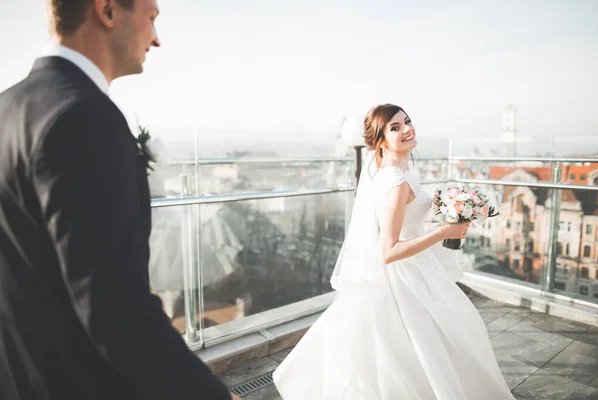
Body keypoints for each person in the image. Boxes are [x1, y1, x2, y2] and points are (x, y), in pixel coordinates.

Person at [0, 0, 239, 399]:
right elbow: (114, 307)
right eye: (151, 17)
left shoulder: (8, 107)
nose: (157, 39)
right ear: (107, 10)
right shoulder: (82, 117)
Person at [273, 104, 514, 399]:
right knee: (425, 347)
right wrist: (444, 232)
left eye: (407, 121)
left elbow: (407, 224)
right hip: (404, 276)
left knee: (438, 344)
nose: (407, 129)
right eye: (395, 127)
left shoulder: (403, 172)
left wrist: (451, 215)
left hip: (418, 267)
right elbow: (387, 251)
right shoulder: (396, 183)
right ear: (380, 140)